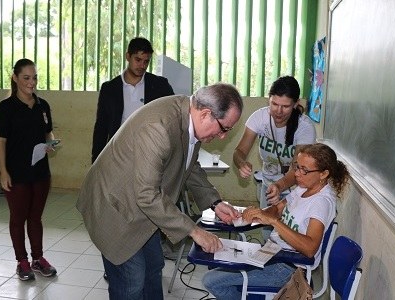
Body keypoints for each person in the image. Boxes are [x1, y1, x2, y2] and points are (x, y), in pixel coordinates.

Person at [77, 83, 244, 299]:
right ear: (206, 114)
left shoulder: (189, 117)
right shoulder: (160, 127)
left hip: (143, 206)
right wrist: (194, 231)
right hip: (116, 207)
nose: (223, 137)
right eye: (225, 129)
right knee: (132, 282)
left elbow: (189, 163)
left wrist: (214, 202)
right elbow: (147, 195)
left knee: (154, 268)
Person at [202, 143, 350, 300]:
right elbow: (278, 208)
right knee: (218, 262)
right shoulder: (304, 187)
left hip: (288, 268)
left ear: (323, 174)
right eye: (296, 167)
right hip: (272, 253)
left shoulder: (321, 203)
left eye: (304, 170)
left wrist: (273, 222)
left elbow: (310, 248)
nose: (297, 174)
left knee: (211, 281)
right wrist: (259, 214)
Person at [0, 58, 57, 281]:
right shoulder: (6, 107)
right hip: (16, 173)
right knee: (18, 217)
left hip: (40, 172)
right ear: (15, 78)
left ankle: (38, 259)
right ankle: (22, 261)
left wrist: (51, 143)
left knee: (36, 217)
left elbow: (48, 133)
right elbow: (0, 142)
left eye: (35, 78)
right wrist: (3, 171)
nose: (32, 83)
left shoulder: (42, 105)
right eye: (26, 78)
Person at [232, 75, 316, 240]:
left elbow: (298, 169)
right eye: (274, 104)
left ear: (296, 104)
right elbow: (239, 151)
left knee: (289, 237)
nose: (278, 111)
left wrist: (280, 185)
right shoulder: (259, 118)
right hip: (269, 187)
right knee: (267, 234)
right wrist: (241, 163)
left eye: (285, 106)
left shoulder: (304, 127)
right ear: (268, 100)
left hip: (295, 191)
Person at [91, 36, 174, 163]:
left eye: (146, 61)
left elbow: (172, 116)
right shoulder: (109, 88)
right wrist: (96, 161)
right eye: (138, 59)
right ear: (128, 56)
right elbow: (101, 127)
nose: (142, 65)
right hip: (119, 153)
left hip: (151, 152)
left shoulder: (159, 85)